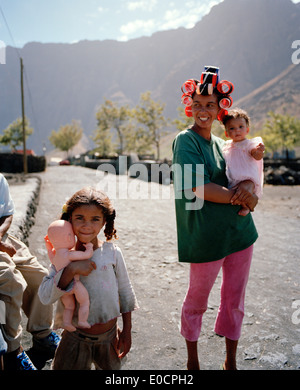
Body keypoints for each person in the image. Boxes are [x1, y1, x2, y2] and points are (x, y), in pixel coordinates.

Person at [172, 66, 259, 370]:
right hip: (206, 237)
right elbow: (196, 187)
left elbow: (245, 174)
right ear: (189, 106)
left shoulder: (223, 145)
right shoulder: (186, 141)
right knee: (197, 301)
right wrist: (244, 196)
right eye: (198, 104)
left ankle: (230, 362)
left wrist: (250, 189)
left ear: (220, 108)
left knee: (234, 302)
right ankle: (192, 364)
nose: (203, 110)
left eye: (210, 104)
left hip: (239, 233)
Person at [38, 187, 138, 370]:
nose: (87, 226)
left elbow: (125, 292)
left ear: (104, 222)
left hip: (109, 339)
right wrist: (71, 270)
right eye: (79, 218)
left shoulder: (112, 253)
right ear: (69, 220)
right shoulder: (64, 258)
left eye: (95, 219)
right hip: (75, 339)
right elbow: (45, 296)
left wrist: (127, 331)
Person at [0, 173, 60, 370]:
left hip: (2, 237)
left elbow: (7, 213)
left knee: (40, 275)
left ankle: (42, 334)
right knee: (10, 280)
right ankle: (13, 350)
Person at [45, 220, 94, 331]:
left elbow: (50, 254)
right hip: (75, 284)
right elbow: (87, 255)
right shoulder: (69, 254)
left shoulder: (55, 256)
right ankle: (82, 321)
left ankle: (67, 323)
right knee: (84, 302)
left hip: (63, 287)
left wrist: (49, 246)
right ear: (68, 237)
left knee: (69, 306)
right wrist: (89, 247)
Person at [222, 108, 265, 216]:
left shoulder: (249, 144)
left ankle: (246, 208)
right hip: (234, 179)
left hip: (247, 177)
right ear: (226, 133)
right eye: (232, 128)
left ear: (247, 130)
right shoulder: (226, 146)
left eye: (241, 127)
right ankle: (242, 205)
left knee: (246, 194)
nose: (237, 130)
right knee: (236, 193)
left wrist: (259, 151)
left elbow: (256, 155)